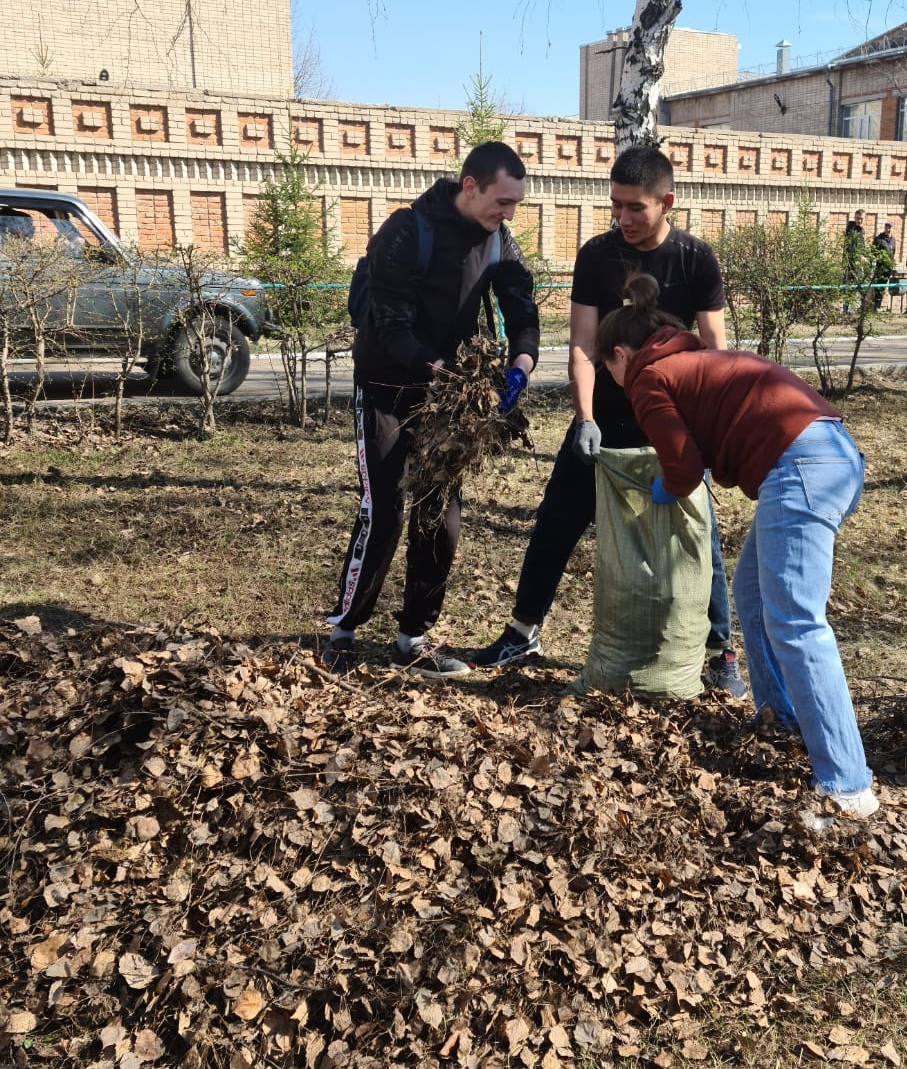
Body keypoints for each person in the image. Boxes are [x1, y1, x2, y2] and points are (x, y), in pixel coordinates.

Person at [594, 273, 878, 821]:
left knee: (796, 620)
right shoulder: (694, 358)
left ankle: (847, 788)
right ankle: (782, 717)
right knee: (751, 594)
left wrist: (664, 490)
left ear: (622, 354)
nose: (614, 378)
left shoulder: (649, 378)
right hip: (835, 454)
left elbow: (682, 466)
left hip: (799, 469)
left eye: (609, 367)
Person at [470, 145, 746, 695]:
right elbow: (582, 344)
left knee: (699, 534)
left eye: (634, 208)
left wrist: (709, 428)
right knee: (556, 522)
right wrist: (586, 417)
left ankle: (720, 652)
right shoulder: (597, 255)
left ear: (667, 202)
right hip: (605, 418)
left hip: (672, 421)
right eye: (614, 206)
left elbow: (716, 350)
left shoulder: (696, 259)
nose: (621, 219)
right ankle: (523, 632)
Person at [323, 141, 540, 676]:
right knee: (385, 509)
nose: (508, 213)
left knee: (441, 518)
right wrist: (443, 369)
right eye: (502, 201)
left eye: (515, 203)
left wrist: (522, 363)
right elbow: (389, 325)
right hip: (385, 388)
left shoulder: (498, 241)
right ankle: (342, 632)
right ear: (470, 186)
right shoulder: (406, 230)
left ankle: (412, 639)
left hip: (444, 402)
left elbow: (521, 304)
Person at [872, 221, 897, 310]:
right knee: (878, 285)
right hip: (880, 266)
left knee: (883, 286)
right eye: (887, 227)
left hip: (888, 267)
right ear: (884, 228)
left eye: (890, 228)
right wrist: (880, 258)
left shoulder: (893, 240)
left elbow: (893, 252)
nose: (888, 229)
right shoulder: (879, 238)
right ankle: (875, 305)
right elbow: (874, 251)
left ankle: (878, 305)